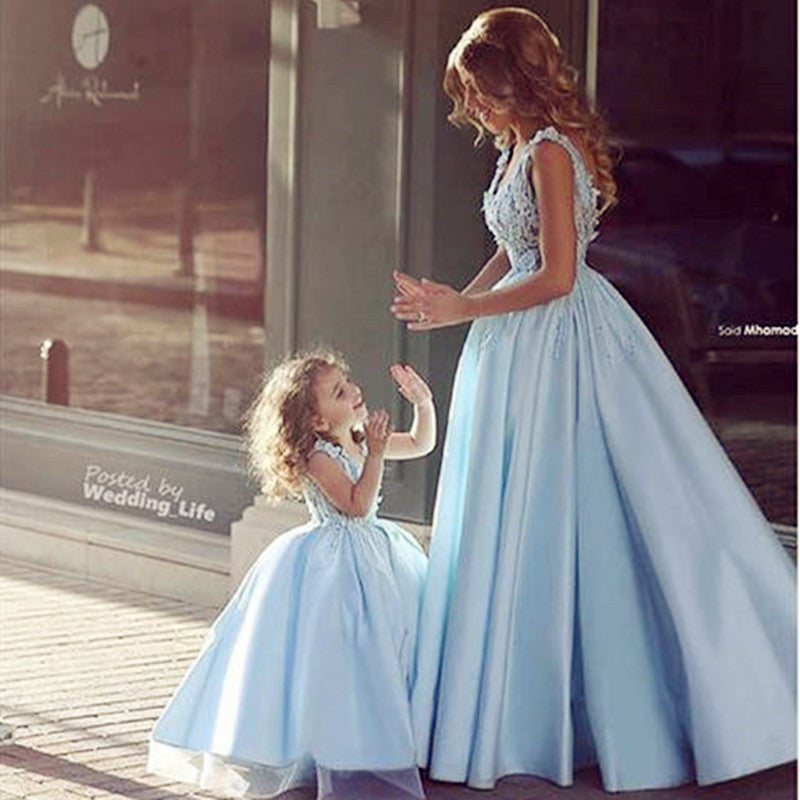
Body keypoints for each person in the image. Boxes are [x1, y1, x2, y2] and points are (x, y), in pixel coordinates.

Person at [391, 7, 796, 793]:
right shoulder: (513, 150)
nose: (472, 107)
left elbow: (557, 277)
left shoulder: (549, 151)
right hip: (511, 352)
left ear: (516, 80)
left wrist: (465, 310)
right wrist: (448, 301)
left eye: (480, 90)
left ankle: (659, 705)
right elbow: (515, 255)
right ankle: (513, 707)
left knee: (572, 517)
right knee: (513, 518)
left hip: (561, 349)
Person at [147, 350, 436, 800]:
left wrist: (422, 402)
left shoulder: (357, 438)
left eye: (348, 381)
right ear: (318, 422)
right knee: (339, 659)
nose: (353, 390)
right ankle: (334, 749)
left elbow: (421, 444)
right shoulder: (318, 457)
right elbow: (356, 506)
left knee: (389, 648)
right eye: (339, 392)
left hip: (379, 557)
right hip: (335, 564)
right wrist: (375, 454)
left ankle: (392, 737)